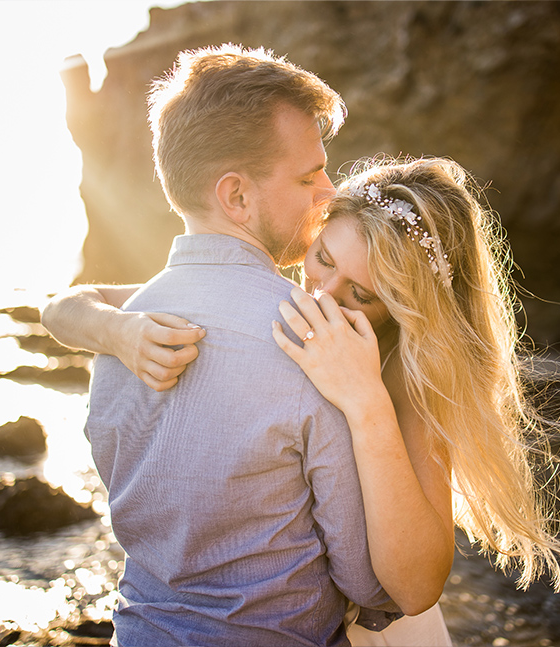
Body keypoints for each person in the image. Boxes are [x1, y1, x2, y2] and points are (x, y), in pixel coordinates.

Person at [46, 156, 560, 645]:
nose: (324, 297)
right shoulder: (273, 301)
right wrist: (117, 332)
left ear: (405, 311)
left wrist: (366, 405)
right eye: (322, 258)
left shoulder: (411, 377)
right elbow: (64, 306)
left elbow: (411, 591)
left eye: (362, 293)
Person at [63, 43, 403, 646]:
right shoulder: (312, 341)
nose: (329, 190)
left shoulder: (121, 333)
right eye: (307, 176)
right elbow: (368, 581)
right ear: (237, 196)